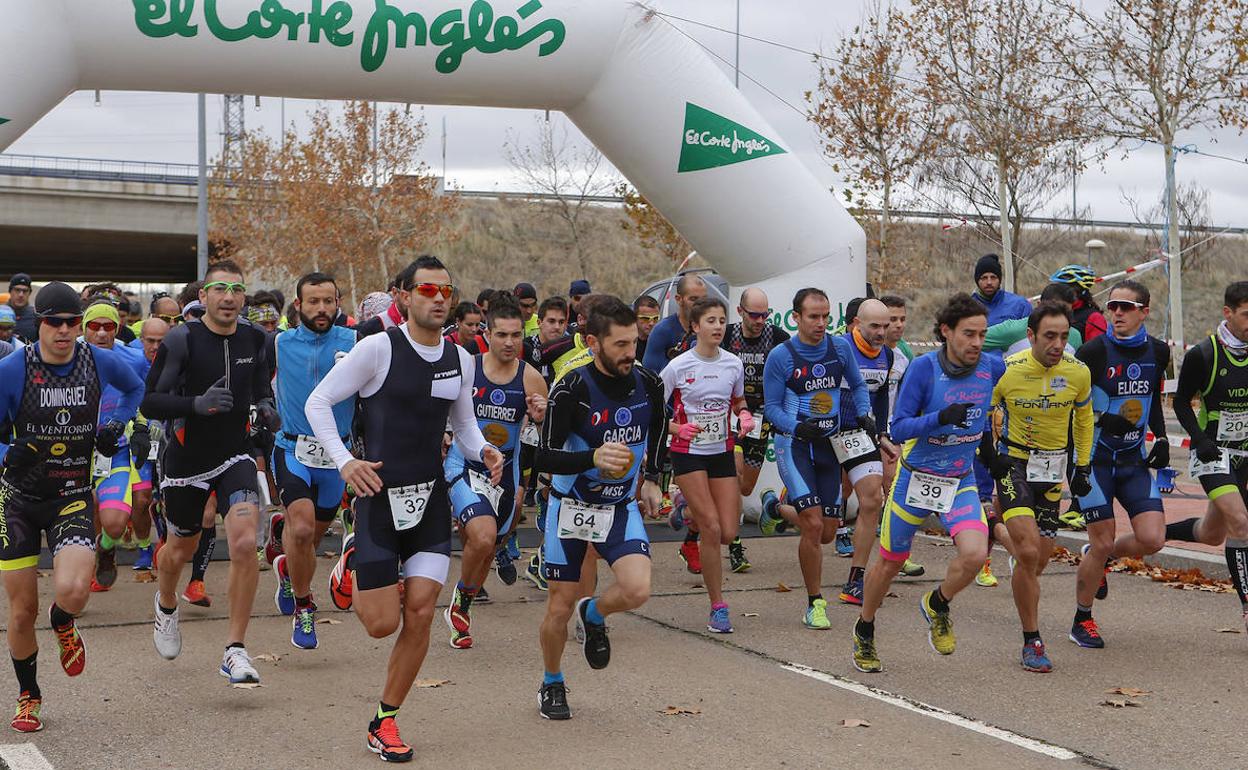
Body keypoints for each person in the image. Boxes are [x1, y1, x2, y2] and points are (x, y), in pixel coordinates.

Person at [307, 255, 503, 762]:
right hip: (377, 499)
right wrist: (346, 462)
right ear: (405, 297)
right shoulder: (377, 349)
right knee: (380, 624)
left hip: (430, 501)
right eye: (427, 290)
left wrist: (483, 450)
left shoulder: (460, 358)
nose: (439, 299)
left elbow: (463, 425)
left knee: (419, 613)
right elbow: (318, 403)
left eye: (446, 290)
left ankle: (385, 720)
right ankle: (352, 561)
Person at [0, 282, 144, 732]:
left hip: (70, 494)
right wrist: (7, 454)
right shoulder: (11, 369)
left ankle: (62, 620)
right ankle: (29, 694)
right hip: (19, 499)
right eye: (53, 322)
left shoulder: (97, 360)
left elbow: (136, 387)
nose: (63, 331)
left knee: (75, 592)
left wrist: (116, 422)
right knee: (21, 611)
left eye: (71, 323)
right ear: (38, 323)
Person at [142, 260, 280, 684]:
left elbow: (261, 393)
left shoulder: (257, 339)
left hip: (234, 455)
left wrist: (267, 414)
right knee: (179, 550)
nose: (229, 297)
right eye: (220, 288)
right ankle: (166, 604)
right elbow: (151, 402)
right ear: (203, 298)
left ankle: (235, 650)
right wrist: (194, 405)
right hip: (185, 460)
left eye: (237, 290)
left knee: (242, 544)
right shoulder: (182, 339)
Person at [853, 293, 1003, 672]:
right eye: (968, 334)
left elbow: (994, 406)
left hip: (960, 479)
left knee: (974, 554)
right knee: (890, 563)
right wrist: (940, 417)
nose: (976, 343)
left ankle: (938, 603)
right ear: (946, 332)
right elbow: (899, 427)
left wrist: (993, 452)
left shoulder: (991, 367)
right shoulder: (922, 369)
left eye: (982, 335)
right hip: (915, 478)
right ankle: (865, 628)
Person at [536, 296, 666, 720]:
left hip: (620, 507)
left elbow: (659, 439)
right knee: (558, 607)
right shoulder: (570, 389)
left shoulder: (650, 384)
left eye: (633, 343)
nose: (631, 353)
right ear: (593, 343)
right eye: (620, 345)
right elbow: (544, 458)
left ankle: (593, 612)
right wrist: (591, 458)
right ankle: (552, 682)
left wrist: (651, 481)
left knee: (637, 590)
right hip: (569, 508)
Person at [984, 301, 1093, 672]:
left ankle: (995, 528)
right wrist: (989, 453)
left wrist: (1082, 467)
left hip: (1053, 467)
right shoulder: (1007, 370)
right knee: (1029, 553)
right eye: (1049, 336)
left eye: (1064, 336)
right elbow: (984, 411)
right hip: (1013, 463)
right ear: (1031, 336)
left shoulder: (1078, 373)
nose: (1058, 344)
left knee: (1039, 559)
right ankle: (1032, 639)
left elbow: (1084, 420)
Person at [1067, 280, 1170, 648]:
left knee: (1153, 538)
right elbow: (1072, 408)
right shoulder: (1094, 352)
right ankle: (1082, 620)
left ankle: (1100, 558)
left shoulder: (1158, 351)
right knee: (1102, 538)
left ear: (1144, 312)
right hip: (1094, 461)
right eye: (1113, 306)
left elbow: (1153, 399)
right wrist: (1099, 420)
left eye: (1127, 307)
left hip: (1133, 460)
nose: (1118, 313)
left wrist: (1160, 438)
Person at [761, 288, 870, 630]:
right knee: (811, 523)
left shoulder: (839, 347)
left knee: (826, 532)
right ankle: (814, 603)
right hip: (795, 446)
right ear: (796, 318)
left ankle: (776, 507)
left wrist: (864, 414)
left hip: (829, 446)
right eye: (813, 317)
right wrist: (796, 426)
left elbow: (858, 384)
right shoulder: (782, 355)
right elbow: (772, 407)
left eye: (825, 316)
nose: (821, 323)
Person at [443, 298, 548, 649]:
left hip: (505, 472)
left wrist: (540, 416)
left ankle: (464, 601)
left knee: (489, 546)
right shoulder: (467, 368)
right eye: (501, 334)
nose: (508, 342)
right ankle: (459, 604)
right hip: (464, 464)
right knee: (483, 536)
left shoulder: (530, 377)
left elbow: (545, 432)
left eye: (516, 335)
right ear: (486, 333)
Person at [267, 272, 357, 650]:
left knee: (311, 540)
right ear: (298, 305)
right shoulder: (279, 343)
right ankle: (305, 607)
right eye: (313, 302)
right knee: (301, 531)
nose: (322, 309)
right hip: (292, 449)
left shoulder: (357, 343)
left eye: (329, 301)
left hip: (337, 456)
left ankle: (287, 566)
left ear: (338, 304)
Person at [662, 297, 749, 632]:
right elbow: (654, 409)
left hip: (721, 450)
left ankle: (684, 510)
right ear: (695, 327)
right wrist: (676, 428)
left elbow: (738, 399)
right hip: (687, 451)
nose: (717, 326)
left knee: (728, 531)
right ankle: (718, 606)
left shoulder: (733, 364)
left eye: (722, 320)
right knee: (711, 529)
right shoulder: (678, 366)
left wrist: (742, 415)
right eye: (710, 320)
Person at [1165, 281, 1248, 631]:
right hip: (1213, 453)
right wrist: (1199, 440)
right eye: (1246, 314)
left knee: (1212, 533)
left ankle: (1152, 535)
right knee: (1241, 523)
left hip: (1243, 452)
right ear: (1227, 313)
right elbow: (1181, 402)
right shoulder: (1205, 353)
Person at [81, 300, 152, 592]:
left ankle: (107, 547)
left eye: (108, 327)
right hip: (73, 450)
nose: (101, 333)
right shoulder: (65, 357)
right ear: (83, 329)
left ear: (117, 329)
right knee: (86, 511)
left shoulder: (133, 360)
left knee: (113, 523)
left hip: (115, 448)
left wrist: (142, 428)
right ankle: (82, 575)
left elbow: (144, 397)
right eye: (94, 327)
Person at [834, 299, 899, 605]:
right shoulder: (837, 348)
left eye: (885, 326)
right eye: (874, 326)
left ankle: (855, 580)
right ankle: (782, 505)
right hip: (828, 434)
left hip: (860, 436)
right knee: (824, 522)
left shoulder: (887, 355)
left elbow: (882, 396)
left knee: (872, 500)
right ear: (856, 324)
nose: (881, 332)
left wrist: (882, 433)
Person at [722, 288, 789, 573]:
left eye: (765, 314)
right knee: (734, 474)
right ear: (740, 312)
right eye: (755, 315)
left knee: (745, 486)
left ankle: (768, 506)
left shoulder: (777, 337)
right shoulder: (726, 335)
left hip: (761, 419)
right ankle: (735, 546)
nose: (761, 320)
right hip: (731, 414)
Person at [641, 275, 705, 372]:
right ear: (679, 299)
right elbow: (650, 375)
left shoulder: (711, 329)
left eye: (704, 299)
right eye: (693, 299)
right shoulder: (663, 330)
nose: (700, 304)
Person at [1050, 265, 1107, 342]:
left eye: (1060, 288)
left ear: (1075, 291)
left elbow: (1098, 350)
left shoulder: (1094, 318)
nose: (1056, 292)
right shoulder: (1056, 311)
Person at [972, 254, 1032, 324]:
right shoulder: (967, 308)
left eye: (993, 277)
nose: (989, 282)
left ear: (999, 280)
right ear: (977, 281)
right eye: (984, 278)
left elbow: (1031, 332)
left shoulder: (1020, 305)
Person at [7, 274, 37, 342]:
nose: (21, 295)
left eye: (25, 291)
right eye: (17, 290)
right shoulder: (1, 311)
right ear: (10, 291)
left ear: (30, 293)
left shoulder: (36, 316)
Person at [634, 295, 660, 364]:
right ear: (634, 318)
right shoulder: (627, 342)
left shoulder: (662, 341)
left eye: (655, 318)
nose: (651, 323)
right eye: (645, 318)